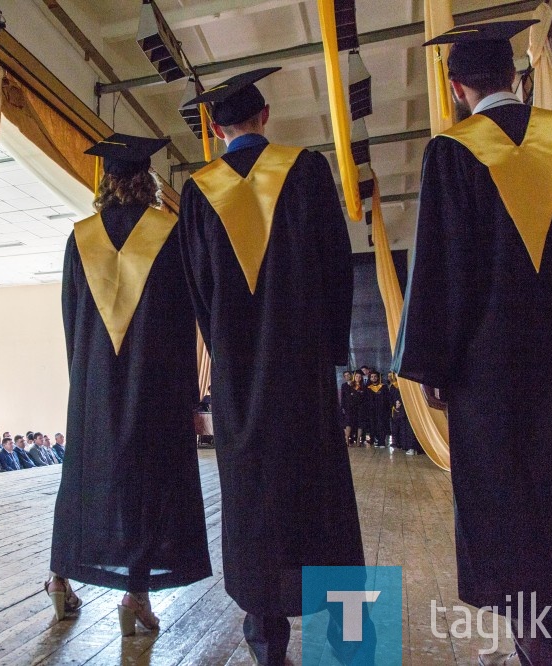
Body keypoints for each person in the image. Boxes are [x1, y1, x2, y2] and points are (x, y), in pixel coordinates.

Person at [394, 20, 552, 665]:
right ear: (516, 77)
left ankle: (539, 648)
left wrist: (431, 367)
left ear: (456, 88)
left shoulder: (450, 156)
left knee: (515, 522)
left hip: (492, 385)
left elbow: (440, 274)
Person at [178, 68, 363, 665]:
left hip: (239, 378)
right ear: (264, 117)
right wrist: (333, 354)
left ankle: (266, 645)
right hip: (303, 371)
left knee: (253, 502)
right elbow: (340, 268)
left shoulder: (197, 191)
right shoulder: (306, 170)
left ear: (216, 127)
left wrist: (229, 354)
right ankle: (352, 641)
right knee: (323, 496)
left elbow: (198, 293)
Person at [49, 133, 212, 636]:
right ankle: (134, 597)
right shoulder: (170, 233)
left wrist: (86, 383)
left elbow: (70, 318)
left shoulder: (80, 238)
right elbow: (187, 327)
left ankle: (59, 581)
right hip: (155, 388)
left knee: (81, 480)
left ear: (107, 182)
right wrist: (190, 396)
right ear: (148, 180)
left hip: (94, 389)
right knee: (149, 485)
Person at [366, 371, 390, 448]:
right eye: (372, 377)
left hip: (382, 411)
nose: (373, 378)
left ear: (378, 377)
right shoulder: (368, 388)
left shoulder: (383, 387)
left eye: (375, 376)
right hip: (371, 411)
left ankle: (382, 442)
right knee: (373, 426)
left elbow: (387, 399)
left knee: (381, 425)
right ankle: (376, 440)